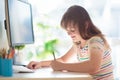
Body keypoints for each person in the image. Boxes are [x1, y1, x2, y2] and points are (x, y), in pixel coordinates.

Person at [27, 5, 114, 80]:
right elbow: (63, 60)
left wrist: (62, 66)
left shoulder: (95, 41)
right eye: (67, 31)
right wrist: (41, 63)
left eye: (72, 30)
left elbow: (93, 67)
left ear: (85, 25)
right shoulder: (78, 44)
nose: (69, 34)